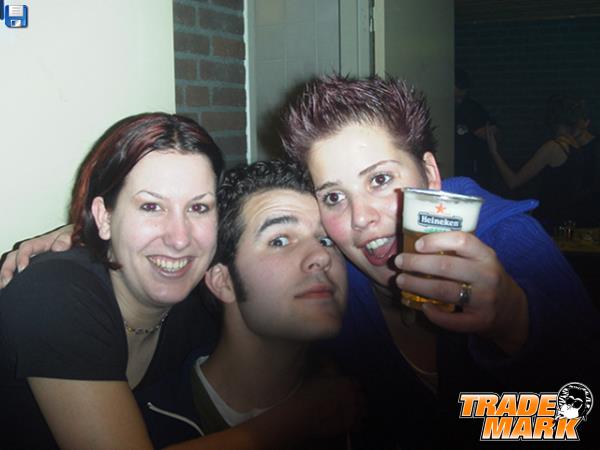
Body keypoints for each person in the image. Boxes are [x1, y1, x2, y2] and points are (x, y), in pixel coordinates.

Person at [0, 114, 358, 450]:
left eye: (198, 207)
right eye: (151, 207)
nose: (179, 238)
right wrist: (298, 417)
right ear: (104, 217)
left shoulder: (194, 303)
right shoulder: (54, 294)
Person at [279, 74, 600, 449]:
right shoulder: (335, 284)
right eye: (333, 197)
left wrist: (515, 320)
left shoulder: (512, 243)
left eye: (380, 179)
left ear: (430, 175)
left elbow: (580, 415)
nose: (360, 218)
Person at [136, 159, 357, 449]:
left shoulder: (366, 403)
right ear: (224, 282)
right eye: (280, 241)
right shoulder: (143, 425)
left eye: (326, 241)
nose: (321, 256)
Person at [488, 95, 598, 230]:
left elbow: (513, 182)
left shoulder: (553, 147)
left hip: (551, 219)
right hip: (571, 217)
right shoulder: (576, 147)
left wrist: (494, 152)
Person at [454, 67, 497, 190]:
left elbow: (496, 132)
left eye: (461, 97)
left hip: (473, 171)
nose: (458, 101)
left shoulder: (472, 109)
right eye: (456, 97)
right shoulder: (442, 108)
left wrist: (487, 132)